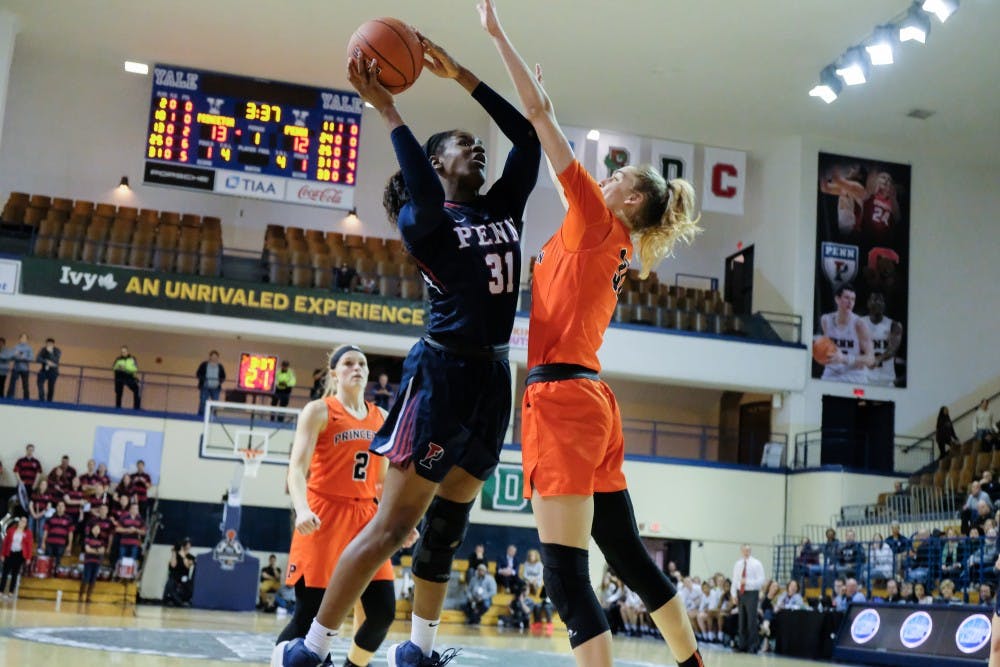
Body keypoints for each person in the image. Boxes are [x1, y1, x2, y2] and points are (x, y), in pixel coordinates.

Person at [273, 19, 540, 667]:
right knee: (392, 526)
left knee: (446, 529)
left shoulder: (503, 207)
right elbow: (418, 184)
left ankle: (418, 650)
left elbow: (528, 136)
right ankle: (310, 649)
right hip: (441, 376)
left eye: (475, 144)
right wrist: (388, 109)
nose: (474, 148)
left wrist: (464, 76)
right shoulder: (425, 221)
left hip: (492, 379)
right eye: (457, 147)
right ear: (435, 166)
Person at [480, 2, 702, 666]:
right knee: (626, 551)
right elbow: (553, 150)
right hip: (593, 403)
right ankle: (692, 662)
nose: (600, 177)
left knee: (565, 578)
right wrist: (542, 103)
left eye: (616, 177)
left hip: (562, 402)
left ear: (630, 199)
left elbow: (541, 121)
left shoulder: (597, 224)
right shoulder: (608, 235)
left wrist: (499, 37)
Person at [272, 344, 418, 667]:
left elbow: (381, 481)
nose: (357, 368)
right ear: (334, 373)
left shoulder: (380, 416)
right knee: (309, 616)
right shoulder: (319, 411)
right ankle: (279, 660)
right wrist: (302, 508)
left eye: (362, 363)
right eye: (349, 363)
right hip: (323, 514)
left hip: (367, 516)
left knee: (382, 614)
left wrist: (399, 521)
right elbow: (297, 469)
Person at [818, 284, 874, 384]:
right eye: (847, 298)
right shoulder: (826, 320)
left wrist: (845, 358)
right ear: (837, 299)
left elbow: (870, 359)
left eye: (853, 299)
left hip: (854, 375)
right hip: (831, 373)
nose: (850, 302)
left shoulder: (859, 324)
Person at [862, 293, 902, 387]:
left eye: (881, 301)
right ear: (868, 303)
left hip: (886, 380)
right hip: (864, 379)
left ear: (884, 305)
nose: (878, 303)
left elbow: (892, 350)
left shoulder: (894, 325)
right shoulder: (860, 323)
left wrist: (878, 359)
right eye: (875, 300)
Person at [732, 544, 766, 652]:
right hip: (740, 593)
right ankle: (742, 645)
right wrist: (733, 595)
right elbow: (735, 580)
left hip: (752, 592)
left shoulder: (756, 564)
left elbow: (761, 581)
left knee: (751, 620)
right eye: (744, 550)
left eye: (748, 550)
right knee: (742, 620)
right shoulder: (738, 564)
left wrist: (747, 581)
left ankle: (753, 646)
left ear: (750, 551)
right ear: (741, 551)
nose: (746, 552)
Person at [0, 517, 33, 598]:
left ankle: (11, 592)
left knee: (15, 574)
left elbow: (29, 546)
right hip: (10, 553)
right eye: (22, 521)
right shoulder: (11, 530)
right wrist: (2, 554)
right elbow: (5, 543)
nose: (22, 523)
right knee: (5, 573)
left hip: (19, 555)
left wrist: (28, 557)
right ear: (19, 522)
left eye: (24, 521)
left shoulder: (28, 533)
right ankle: (1, 591)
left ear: (26, 524)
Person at [78, 522, 105, 602]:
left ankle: (88, 597)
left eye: (98, 529)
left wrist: (94, 550)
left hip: (97, 562)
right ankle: (81, 596)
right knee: (86, 578)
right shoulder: (87, 538)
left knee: (93, 580)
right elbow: (87, 549)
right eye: (95, 528)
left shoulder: (101, 540)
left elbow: (103, 550)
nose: (96, 530)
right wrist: (97, 550)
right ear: (91, 530)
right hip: (88, 561)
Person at [163, 538, 194, 607]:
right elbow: (173, 565)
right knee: (170, 583)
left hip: (183, 578)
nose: (187, 546)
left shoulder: (191, 557)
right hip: (174, 577)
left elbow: (187, 566)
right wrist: (174, 553)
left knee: (189, 586)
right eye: (186, 544)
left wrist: (183, 557)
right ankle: (179, 603)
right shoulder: (176, 554)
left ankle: (180, 602)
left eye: (189, 544)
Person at [196, 350, 227, 415]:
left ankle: (213, 416)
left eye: (215, 357)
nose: (214, 358)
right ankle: (200, 416)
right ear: (210, 357)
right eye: (213, 356)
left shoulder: (220, 366)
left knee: (215, 403)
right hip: (205, 387)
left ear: (218, 358)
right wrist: (204, 380)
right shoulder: (204, 364)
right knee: (203, 402)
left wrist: (219, 382)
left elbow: (223, 376)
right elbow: (198, 374)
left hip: (216, 388)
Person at [112, 345, 141, 409]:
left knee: (136, 389)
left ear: (127, 351)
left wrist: (126, 369)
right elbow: (114, 367)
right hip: (119, 376)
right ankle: (118, 407)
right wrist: (119, 367)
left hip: (129, 376)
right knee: (119, 392)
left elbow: (135, 369)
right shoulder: (118, 359)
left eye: (125, 351)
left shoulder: (132, 359)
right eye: (122, 352)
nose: (123, 353)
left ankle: (136, 407)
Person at [6, 333, 32, 399]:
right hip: (16, 368)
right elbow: (10, 356)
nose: (23, 339)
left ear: (27, 340)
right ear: (19, 339)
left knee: (25, 385)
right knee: (12, 384)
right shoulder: (16, 347)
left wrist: (24, 357)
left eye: (25, 338)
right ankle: (9, 398)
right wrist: (14, 355)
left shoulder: (29, 348)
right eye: (22, 338)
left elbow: (31, 358)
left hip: (25, 369)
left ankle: (26, 399)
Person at [35, 337, 61, 401]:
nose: (49, 345)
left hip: (53, 371)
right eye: (48, 343)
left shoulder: (57, 350)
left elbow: (56, 360)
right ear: (46, 344)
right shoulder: (43, 349)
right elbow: (38, 359)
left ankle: (49, 402)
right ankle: (42, 399)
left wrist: (51, 353)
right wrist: (46, 361)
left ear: (53, 344)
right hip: (44, 370)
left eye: (51, 344)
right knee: (39, 382)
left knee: (51, 387)